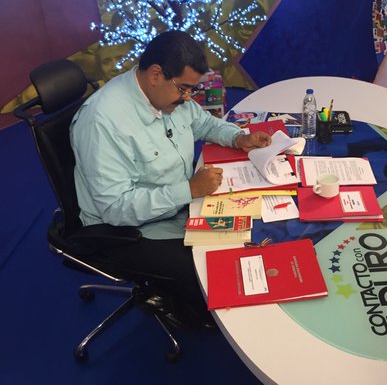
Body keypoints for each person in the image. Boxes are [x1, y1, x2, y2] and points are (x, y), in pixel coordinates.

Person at [70, 30, 271, 328]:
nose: (188, 98)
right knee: (210, 265)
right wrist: (188, 189)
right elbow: (115, 208)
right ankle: (185, 311)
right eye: (184, 89)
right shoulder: (102, 121)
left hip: (177, 202)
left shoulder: (168, 95)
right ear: (155, 75)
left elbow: (204, 123)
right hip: (127, 228)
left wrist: (238, 137)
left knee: (248, 228)